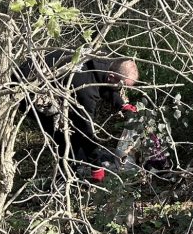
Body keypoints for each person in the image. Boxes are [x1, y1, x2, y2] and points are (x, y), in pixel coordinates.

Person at [19, 52, 140, 181]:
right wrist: (96, 165)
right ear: (111, 77)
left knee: (74, 132)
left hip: (39, 76)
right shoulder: (86, 92)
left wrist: (121, 104)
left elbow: (104, 82)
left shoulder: (103, 59)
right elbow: (86, 130)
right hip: (24, 90)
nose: (122, 90)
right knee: (65, 134)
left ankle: (75, 164)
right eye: (122, 86)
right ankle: (65, 176)